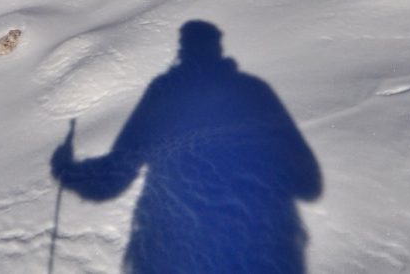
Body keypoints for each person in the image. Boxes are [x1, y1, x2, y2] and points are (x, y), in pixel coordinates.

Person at [51, 21, 321, 273]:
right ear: (217, 48)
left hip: (176, 252)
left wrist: (67, 170)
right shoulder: (253, 91)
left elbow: (115, 177)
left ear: (182, 50)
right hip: (261, 250)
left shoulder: (165, 93)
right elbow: (309, 185)